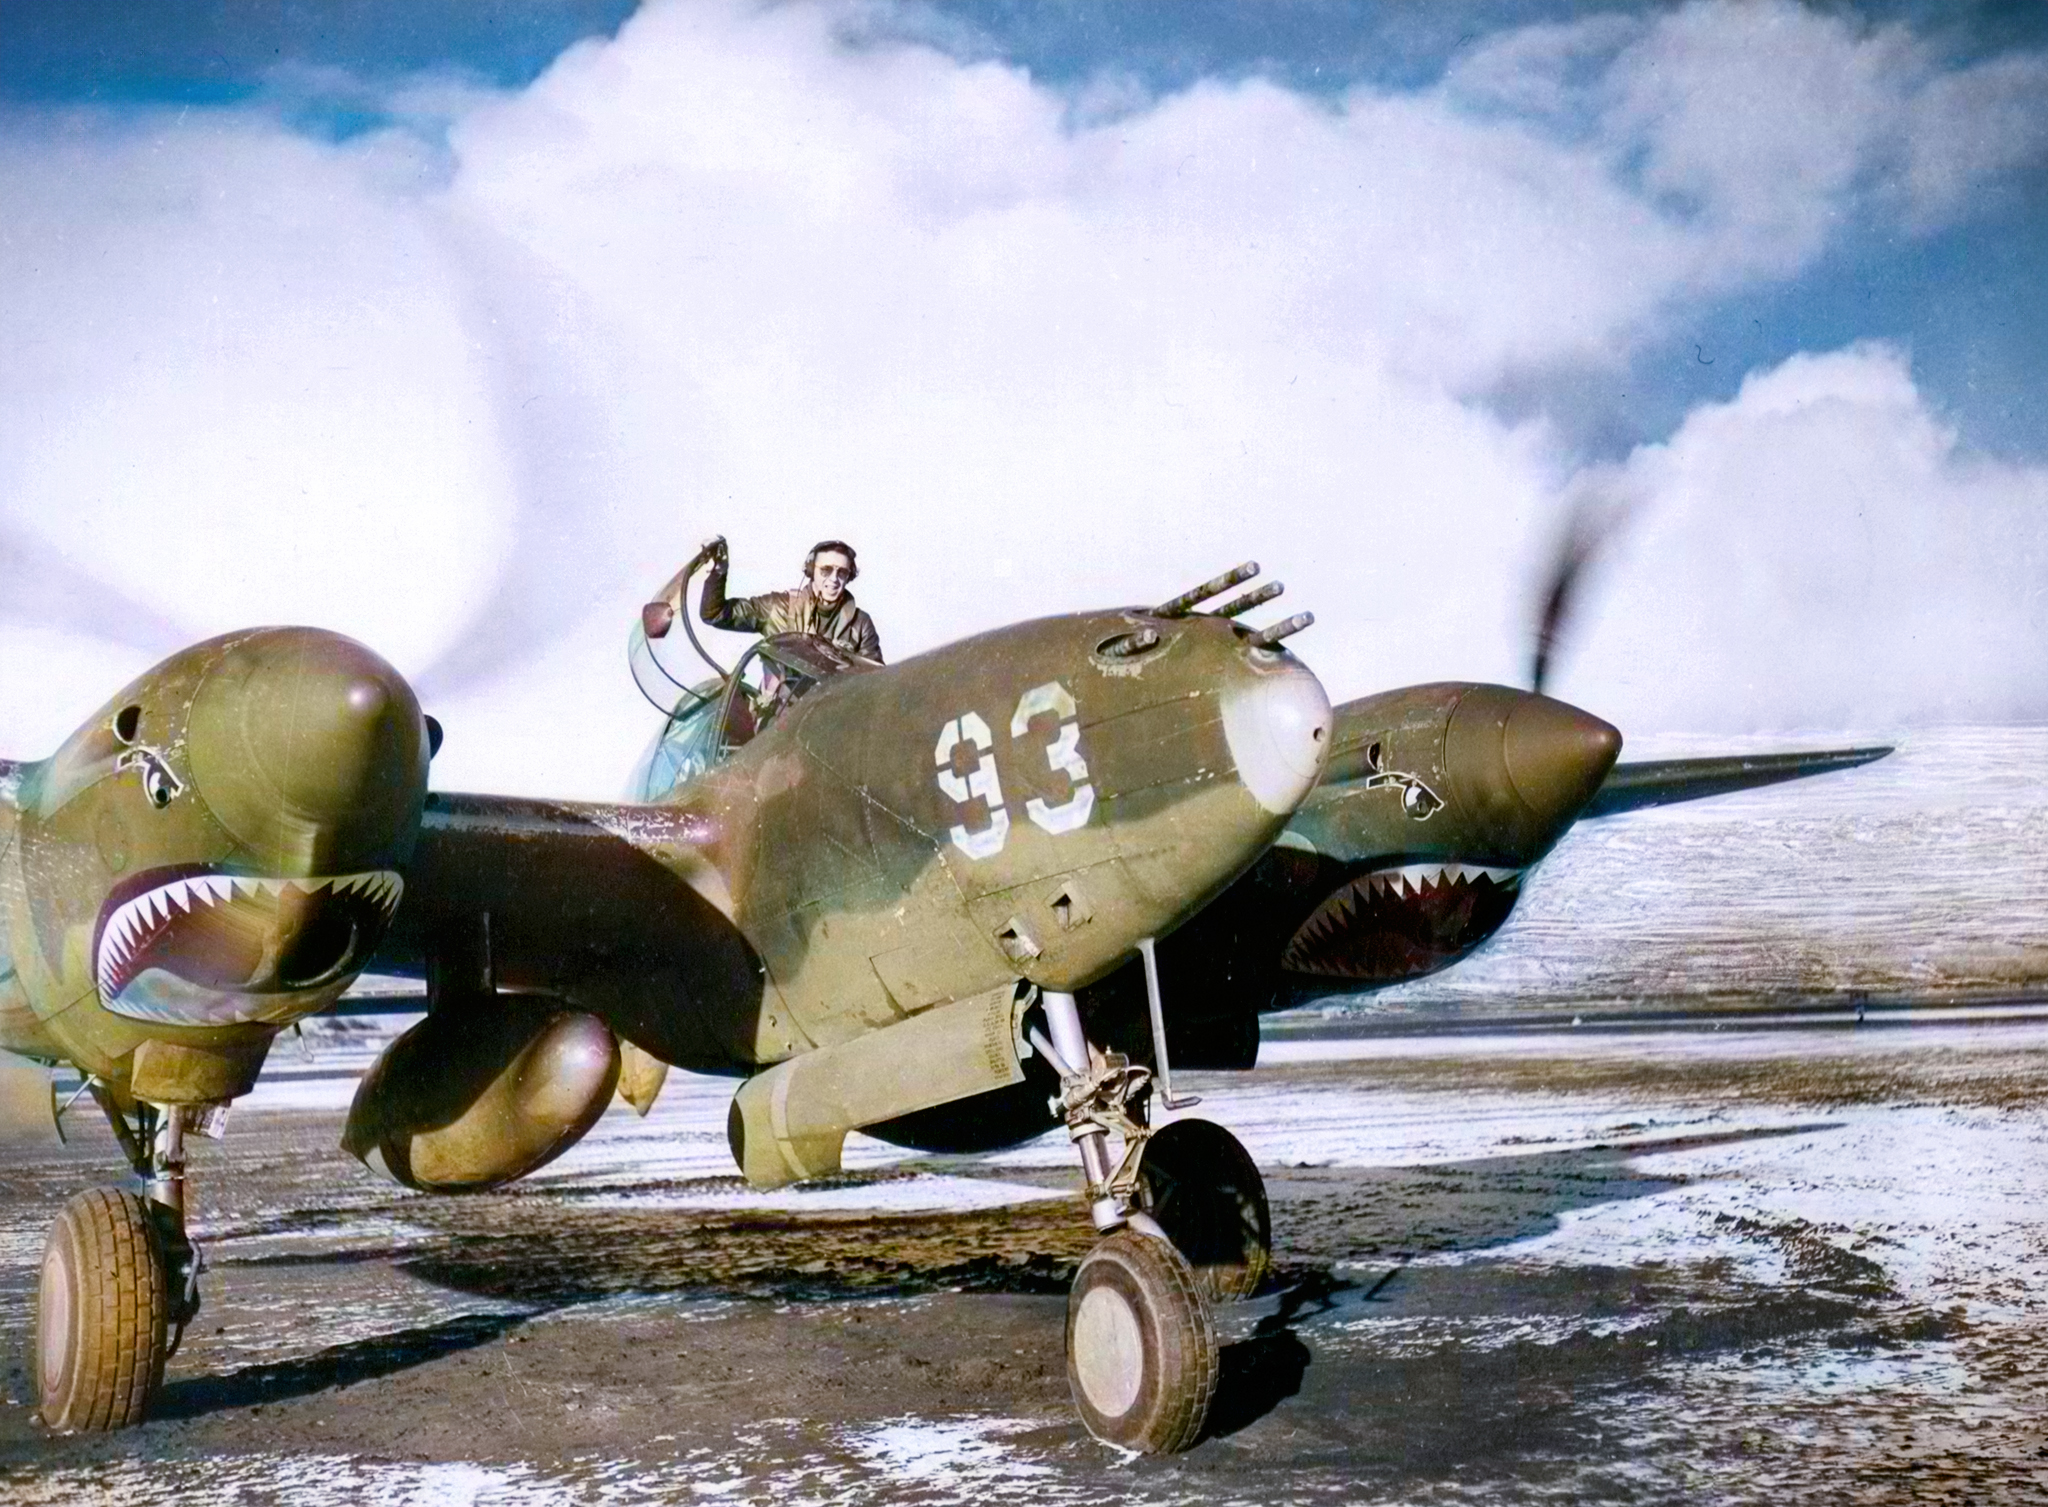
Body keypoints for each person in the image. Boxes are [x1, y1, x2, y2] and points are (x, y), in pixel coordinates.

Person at [678, 536, 883, 663]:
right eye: (826, 570)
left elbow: (873, 681)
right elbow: (715, 614)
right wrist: (718, 573)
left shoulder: (861, 624)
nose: (834, 579)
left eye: (842, 573)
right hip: (781, 715)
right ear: (811, 571)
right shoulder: (777, 608)